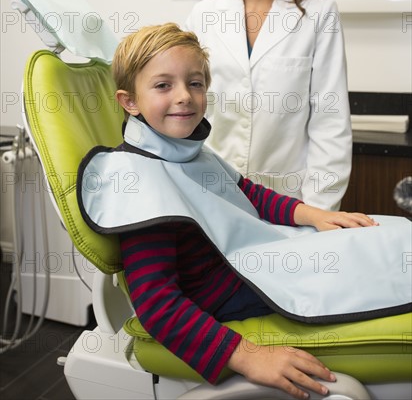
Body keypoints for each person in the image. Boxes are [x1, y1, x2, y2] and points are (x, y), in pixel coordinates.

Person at [77, 24, 383, 400]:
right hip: (228, 295)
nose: (184, 97)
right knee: (365, 273)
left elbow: (248, 194)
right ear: (130, 102)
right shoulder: (139, 181)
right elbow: (156, 304)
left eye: (194, 83)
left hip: (248, 265)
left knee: (376, 240)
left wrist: (313, 215)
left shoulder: (190, 153)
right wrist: (246, 355)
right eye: (163, 86)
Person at [185, 0, 352, 211]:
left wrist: (316, 213)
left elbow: (330, 123)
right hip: (211, 199)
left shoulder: (319, 14)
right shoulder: (203, 16)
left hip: (290, 204)